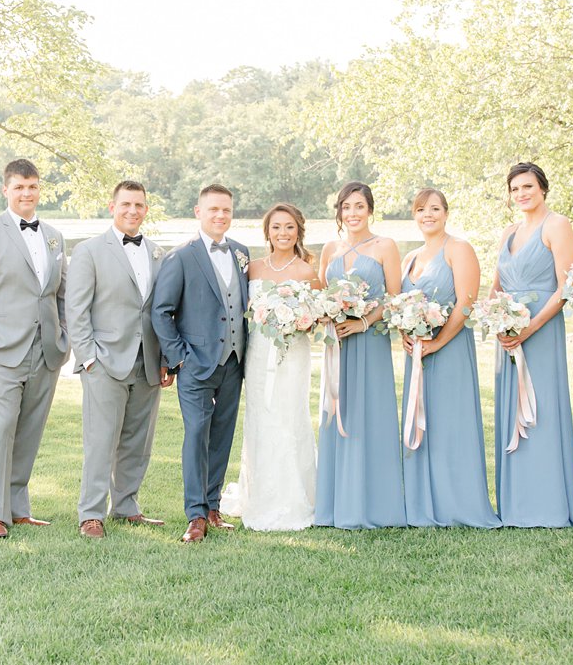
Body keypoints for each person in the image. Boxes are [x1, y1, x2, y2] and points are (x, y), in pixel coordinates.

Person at [0, 158, 69, 538]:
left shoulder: (54, 235)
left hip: (46, 350)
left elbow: (60, 293)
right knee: (0, 428)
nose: (27, 193)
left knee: (30, 430)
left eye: (33, 186)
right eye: (19, 187)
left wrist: (63, 337)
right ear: (6, 190)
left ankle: (18, 505)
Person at [66, 180, 174, 539]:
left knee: (137, 440)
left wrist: (165, 358)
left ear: (146, 209)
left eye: (139, 205)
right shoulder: (89, 251)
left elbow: (162, 311)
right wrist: (89, 358)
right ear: (112, 207)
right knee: (100, 441)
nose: (133, 211)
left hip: (148, 362)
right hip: (104, 362)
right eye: (126, 204)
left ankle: (126, 505)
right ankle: (91, 513)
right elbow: (76, 311)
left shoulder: (159, 254)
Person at [151, 183, 250, 544]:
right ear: (198, 212)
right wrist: (179, 358)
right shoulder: (181, 256)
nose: (220, 216)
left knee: (222, 435)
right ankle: (194, 514)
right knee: (196, 434)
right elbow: (161, 312)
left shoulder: (241, 253)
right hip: (195, 364)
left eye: (226, 209)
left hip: (234, 361)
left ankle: (213, 506)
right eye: (213, 210)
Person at [399, 188, 499, 529]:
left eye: (435, 208)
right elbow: (401, 307)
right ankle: (420, 502)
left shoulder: (459, 249)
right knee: (421, 424)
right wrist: (405, 333)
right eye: (422, 209)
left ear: (446, 213)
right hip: (417, 354)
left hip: (450, 349)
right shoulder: (409, 258)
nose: (428, 215)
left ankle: (458, 504)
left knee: (451, 424)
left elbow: (466, 304)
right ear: (414, 215)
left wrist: (438, 343)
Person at [220, 202, 321, 532]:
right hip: (259, 354)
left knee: (291, 418)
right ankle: (259, 494)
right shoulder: (253, 268)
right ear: (267, 232)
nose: (282, 233)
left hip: (293, 356)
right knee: (262, 418)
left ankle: (296, 495)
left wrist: (300, 323)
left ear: (298, 231)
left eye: (289, 227)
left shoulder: (308, 272)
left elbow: (317, 319)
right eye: (276, 227)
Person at [491, 162, 573, 528]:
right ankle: (516, 504)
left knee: (541, 409)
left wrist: (529, 328)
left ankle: (548, 503)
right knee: (512, 408)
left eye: (528, 186)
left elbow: (566, 287)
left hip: (540, 330)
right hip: (507, 332)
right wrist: (495, 318)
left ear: (543, 188)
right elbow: (496, 285)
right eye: (515, 189)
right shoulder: (508, 231)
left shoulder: (557, 225)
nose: (521, 194)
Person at [315, 181, 408, 529]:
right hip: (338, 343)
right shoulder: (329, 249)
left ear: (370, 209)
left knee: (371, 414)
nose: (352, 213)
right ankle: (336, 504)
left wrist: (363, 322)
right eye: (346, 207)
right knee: (338, 413)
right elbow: (322, 293)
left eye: (359, 206)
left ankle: (376, 504)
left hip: (370, 342)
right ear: (339, 211)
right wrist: (327, 314)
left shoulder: (385, 246)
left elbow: (394, 298)